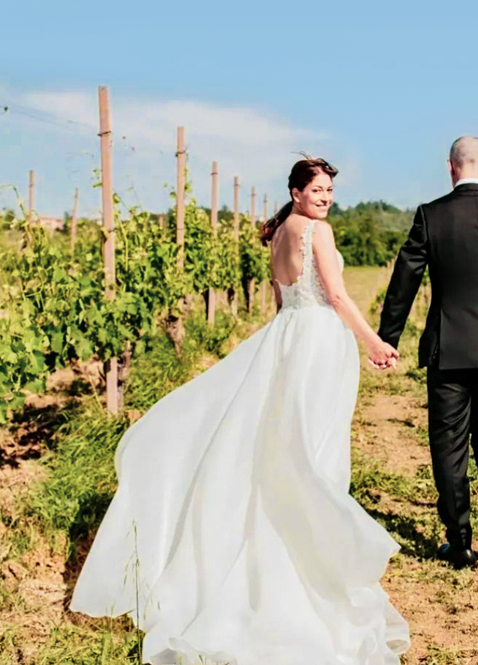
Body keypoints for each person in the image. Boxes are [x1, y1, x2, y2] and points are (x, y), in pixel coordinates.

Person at [70, 156, 409, 665]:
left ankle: (282, 546)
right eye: (317, 189)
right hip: (317, 341)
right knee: (309, 454)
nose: (325, 198)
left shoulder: (279, 233)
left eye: (329, 191)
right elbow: (336, 295)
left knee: (283, 446)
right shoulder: (316, 231)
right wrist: (372, 342)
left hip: (290, 337)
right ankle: (310, 559)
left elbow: (282, 303)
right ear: (296, 191)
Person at [377, 136, 478, 569]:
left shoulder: (431, 216)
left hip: (449, 347)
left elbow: (405, 278)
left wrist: (387, 337)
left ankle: (461, 541)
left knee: (449, 442)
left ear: (451, 167)